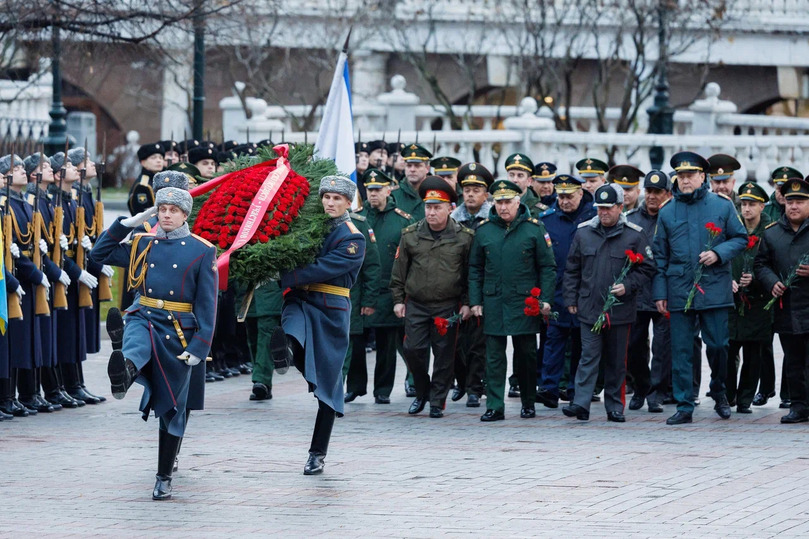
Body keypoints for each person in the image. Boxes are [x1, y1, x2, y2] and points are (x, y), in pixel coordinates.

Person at [91, 186, 217, 500]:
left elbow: (207, 303)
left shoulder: (202, 250)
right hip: (143, 314)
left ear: (185, 215)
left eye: (173, 210)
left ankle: (163, 477)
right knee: (134, 344)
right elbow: (98, 256)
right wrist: (125, 224)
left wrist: (200, 346)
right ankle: (124, 374)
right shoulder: (143, 242)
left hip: (178, 330)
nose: (166, 215)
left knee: (172, 408)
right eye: (162, 210)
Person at [270, 175, 366, 475]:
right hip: (300, 300)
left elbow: (323, 269)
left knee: (328, 385)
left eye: (337, 198)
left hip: (330, 310)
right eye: (326, 197)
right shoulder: (307, 228)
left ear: (348, 202)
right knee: (292, 332)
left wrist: (285, 274)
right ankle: (284, 352)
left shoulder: (353, 237)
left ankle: (317, 454)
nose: (330, 202)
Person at [652, 151, 747, 425]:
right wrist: (660, 293)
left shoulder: (722, 206)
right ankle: (684, 404)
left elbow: (740, 238)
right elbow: (660, 256)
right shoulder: (667, 211)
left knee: (718, 345)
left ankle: (719, 391)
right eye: (680, 176)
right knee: (681, 349)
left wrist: (718, 253)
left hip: (714, 286)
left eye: (690, 175)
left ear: (702, 176)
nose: (685, 181)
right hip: (680, 288)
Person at [562, 184, 654, 421]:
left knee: (615, 360)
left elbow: (647, 269)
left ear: (620, 208)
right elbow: (572, 269)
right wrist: (570, 298)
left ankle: (614, 406)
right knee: (588, 356)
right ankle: (581, 404)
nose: (602, 213)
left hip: (619, 310)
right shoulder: (584, 233)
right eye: (599, 208)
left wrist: (629, 285)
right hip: (589, 307)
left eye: (608, 208)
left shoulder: (634, 234)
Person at [469, 179, 556, 421]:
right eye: (499, 202)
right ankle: (495, 405)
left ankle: (528, 402)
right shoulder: (484, 230)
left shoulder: (534, 229)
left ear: (518, 202)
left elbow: (547, 267)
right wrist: (475, 301)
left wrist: (546, 299)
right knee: (494, 357)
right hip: (494, 301)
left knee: (526, 355)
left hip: (524, 303)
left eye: (508, 202)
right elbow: (475, 268)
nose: (503, 207)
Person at [391, 176, 474, 418]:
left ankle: (437, 401)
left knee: (444, 355)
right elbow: (399, 271)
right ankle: (422, 391)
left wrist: (467, 303)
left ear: (450, 208)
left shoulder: (464, 237)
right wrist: (398, 300)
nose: (432, 212)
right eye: (428, 207)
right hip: (416, 304)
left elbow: (470, 273)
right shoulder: (410, 235)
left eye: (437, 207)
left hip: (447, 305)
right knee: (413, 350)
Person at [353, 169, 415, 401]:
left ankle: (382, 390)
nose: (374, 194)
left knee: (387, 344)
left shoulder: (403, 220)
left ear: (389, 190)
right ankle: (356, 386)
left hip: (389, 290)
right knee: (355, 340)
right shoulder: (357, 218)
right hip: (361, 290)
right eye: (370, 190)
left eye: (378, 189)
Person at [536, 174, 596, 408]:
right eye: (560, 196)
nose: (564, 201)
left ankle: (575, 390)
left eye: (569, 196)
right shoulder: (548, 220)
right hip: (557, 289)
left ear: (580, 194)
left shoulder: (592, 217)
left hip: (585, 290)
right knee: (554, 340)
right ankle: (549, 388)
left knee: (581, 344)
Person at [755, 177, 809, 423]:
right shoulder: (773, 233)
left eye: (800, 201)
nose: (794, 206)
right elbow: (761, 264)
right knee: (794, 361)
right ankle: (798, 406)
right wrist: (771, 281)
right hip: (787, 308)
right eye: (790, 201)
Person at [626, 170, 673, 413]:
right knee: (634, 345)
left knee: (663, 347)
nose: (652, 196)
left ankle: (656, 393)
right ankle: (641, 386)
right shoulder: (631, 218)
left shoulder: (673, 217)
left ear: (668, 193)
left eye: (658, 192)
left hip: (664, 292)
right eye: (649, 191)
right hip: (637, 292)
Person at [449, 162, 493, 407]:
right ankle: (462, 381)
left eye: (477, 190)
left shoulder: (493, 218)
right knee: (454, 342)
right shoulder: (453, 221)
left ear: (486, 194)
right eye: (467, 190)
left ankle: (475, 387)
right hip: (454, 287)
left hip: (483, 288)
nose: (471, 194)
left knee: (478, 342)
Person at [726, 181, 772, 414]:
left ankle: (745, 399)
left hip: (758, 302)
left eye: (752, 204)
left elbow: (774, 265)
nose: (746, 209)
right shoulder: (732, 229)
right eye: (743, 204)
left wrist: (755, 280)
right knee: (727, 349)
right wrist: (727, 280)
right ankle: (728, 394)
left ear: (762, 206)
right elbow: (722, 258)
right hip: (732, 301)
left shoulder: (771, 232)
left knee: (753, 353)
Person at [341, 207, 381, 402]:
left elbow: (372, 265)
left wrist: (369, 299)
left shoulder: (359, 224)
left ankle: (352, 386)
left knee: (353, 341)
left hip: (353, 294)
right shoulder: (319, 222)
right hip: (328, 293)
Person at [393, 144, 432, 220]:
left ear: (427, 169)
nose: (412, 169)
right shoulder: (393, 195)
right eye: (409, 165)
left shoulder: (435, 192)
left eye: (417, 166)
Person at [127, 142, 165, 215]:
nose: (159, 160)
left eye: (161, 158)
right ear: (143, 162)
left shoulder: (160, 180)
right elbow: (144, 215)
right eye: (153, 158)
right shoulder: (143, 185)